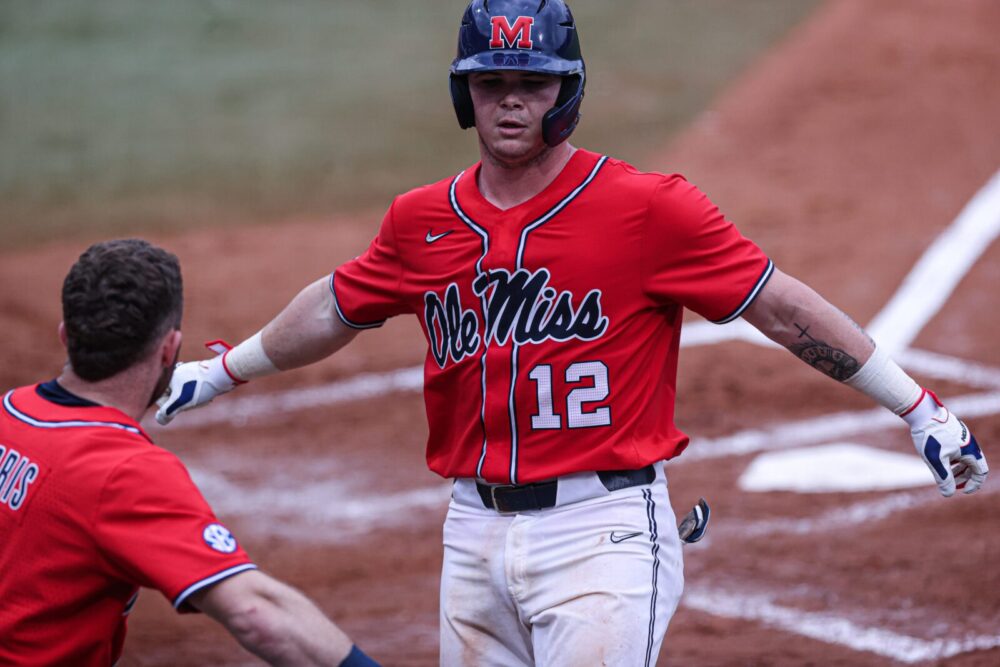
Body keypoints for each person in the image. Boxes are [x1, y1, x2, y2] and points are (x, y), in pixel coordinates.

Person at [155, 1, 989, 664]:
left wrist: (916, 406)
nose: (510, 100)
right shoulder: (422, 221)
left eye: (533, 81)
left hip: (604, 535)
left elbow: (777, 304)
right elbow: (337, 305)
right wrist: (222, 374)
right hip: (471, 534)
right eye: (490, 82)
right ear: (462, 92)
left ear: (570, 90)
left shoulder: (648, 209)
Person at [0, 239, 381, 667]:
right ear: (169, 347)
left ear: (66, 336)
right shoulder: (122, 470)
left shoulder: (8, 411)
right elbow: (256, 613)